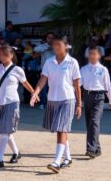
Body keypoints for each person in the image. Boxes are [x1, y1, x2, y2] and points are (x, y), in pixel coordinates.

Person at [32, 35, 82, 173]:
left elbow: (77, 85)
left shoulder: (72, 62)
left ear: (66, 46)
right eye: (54, 45)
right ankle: (68, 157)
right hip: (52, 100)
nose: (56, 47)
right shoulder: (49, 61)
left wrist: (79, 104)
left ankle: (56, 161)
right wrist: (36, 92)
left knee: (61, 129)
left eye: (59, 45)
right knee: (61, 129)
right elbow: (43, 79)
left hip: (68, 99)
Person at [0, 45, 35, 168]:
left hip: (12, 102)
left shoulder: (17, 70)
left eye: (5, 54)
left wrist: (34, 93)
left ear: (11, 55)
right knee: (6, 131)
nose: (2, 56)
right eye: (0, 54)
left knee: (5, 130)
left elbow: (25, 83)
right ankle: (16, 152)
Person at [81, 46, 111, 159]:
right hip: (87, 96)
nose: (92, 56)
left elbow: (108, 85)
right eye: (90, 54)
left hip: (99, 96)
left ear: (99, 55)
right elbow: (78, 84)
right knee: (89, 124)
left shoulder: (103, 69)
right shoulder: (84, 69)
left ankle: (90, 149)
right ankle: (97, 148)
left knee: (94, 122)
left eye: (94, 54)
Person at [34, 32, 55, 109]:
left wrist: (54, 48)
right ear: (46, 38)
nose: (50, 39)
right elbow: (35, 49)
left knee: (53, 87)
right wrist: (46, 49)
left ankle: (51, 103)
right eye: (49, 38)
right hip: (44, 69)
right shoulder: (43, 46)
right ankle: (42, 103)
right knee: (43, 87)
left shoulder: (56, 46)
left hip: (55, 70)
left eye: (52, 38)